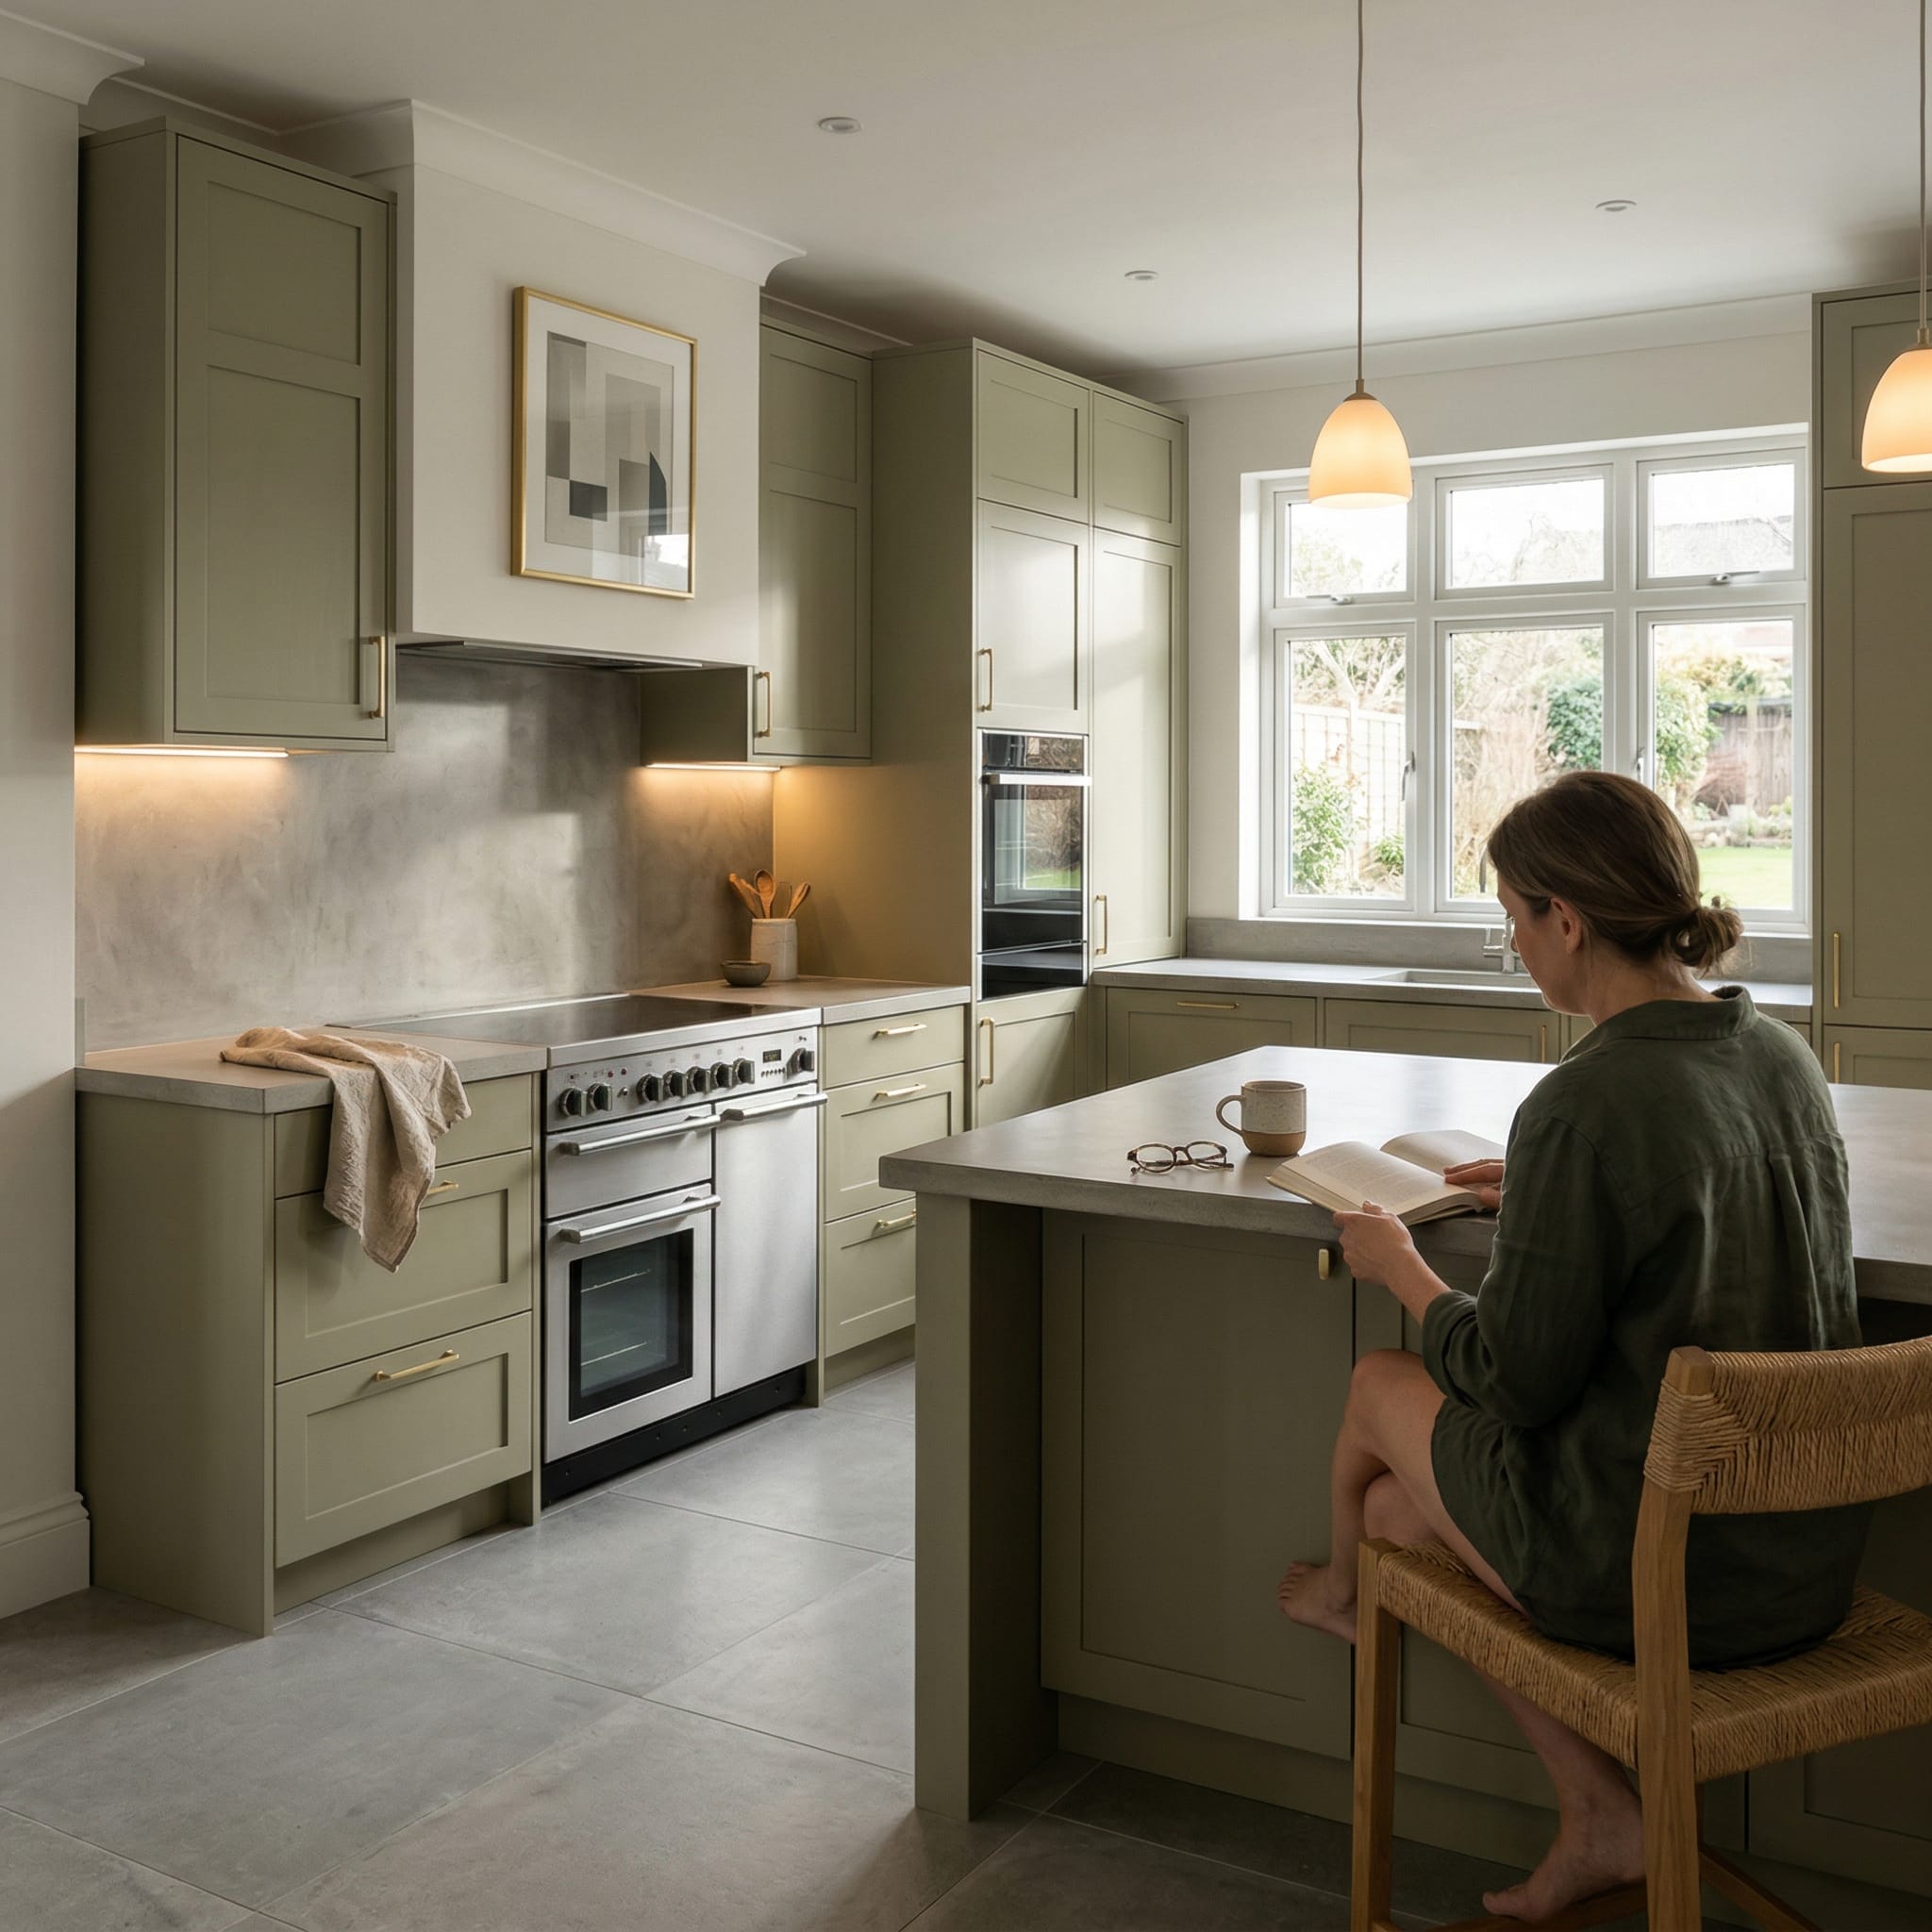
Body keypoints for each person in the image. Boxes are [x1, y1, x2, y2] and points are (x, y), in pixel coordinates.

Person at [1276, 771, 1867, 1924]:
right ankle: (1600, 1817)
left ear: (1567, 919)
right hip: (1797, 1564)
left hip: (1650, 1576)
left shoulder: (1584, 1103)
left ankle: (1341, 1596)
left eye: (1510, 916)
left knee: (1375, 1385)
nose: (1513, 942)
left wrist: (1402, 1266)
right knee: (1402, 1513)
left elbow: (1511, 1381)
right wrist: (1545, 1187)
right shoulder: (1780, 1055)